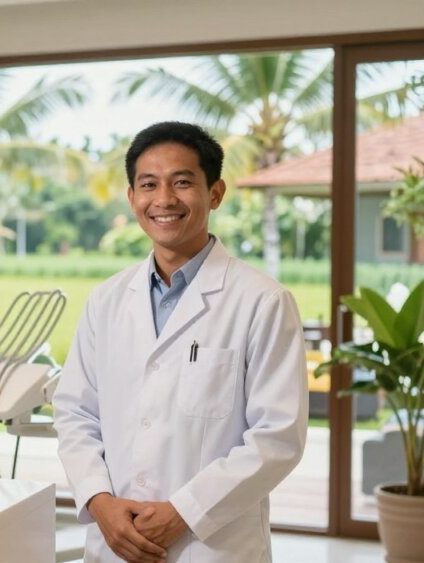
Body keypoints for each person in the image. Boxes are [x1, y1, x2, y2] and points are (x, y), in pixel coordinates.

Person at [53, 122, 308, 563]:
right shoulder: (106, 301)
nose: (164, 200)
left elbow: (278, 437)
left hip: (211, 547)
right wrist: (99, 501)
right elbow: (75, 412)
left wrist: (184, 513)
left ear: (215, 193)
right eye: (148, 184)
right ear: (132, 197)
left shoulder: (262, 302)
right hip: (115, 541)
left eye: (183, 182)